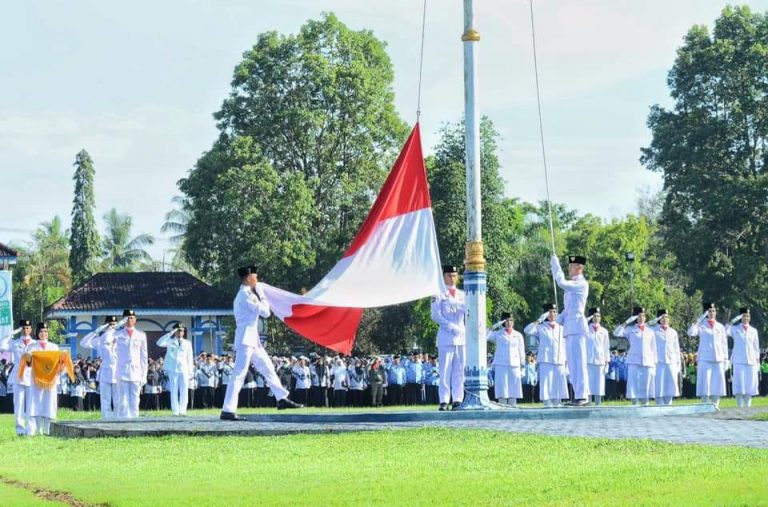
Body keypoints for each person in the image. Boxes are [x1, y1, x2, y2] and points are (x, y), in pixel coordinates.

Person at [220, 265, 302, 421]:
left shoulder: (247, 294)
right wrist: (263, 295)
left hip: (252, 339)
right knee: (239, 373)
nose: (257, 280)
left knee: (268, 367)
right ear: (249, 278)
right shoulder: (246, 295)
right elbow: (265, 312)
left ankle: (281, 398)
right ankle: (228, 410)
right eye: (255, 277)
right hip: (246, 339)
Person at [550, 254, 590, 406]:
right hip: (570, 327)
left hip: (578, 327)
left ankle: (583, 396)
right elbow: (567, 310)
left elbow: (561, 282)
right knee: (573, 364)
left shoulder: (581, 284)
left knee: (579, 363)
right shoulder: (572, 284)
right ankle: (577, 394)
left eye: (571, 267)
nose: (569, 269)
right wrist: (556, 319)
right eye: (568, 267)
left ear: (579, 268)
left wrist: (556, 265)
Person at [431, 264, 466, 411]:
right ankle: (444, 400)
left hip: (461, 337)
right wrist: (451, 327)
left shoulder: (462, 294)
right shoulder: (438, 294)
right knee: (445, 370)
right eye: (449, 276)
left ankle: (458, 399)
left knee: (459, 370)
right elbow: (436, 315)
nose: (452, 278)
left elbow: (468, 311)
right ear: (444, 276)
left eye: (454, 276)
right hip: (446, 336)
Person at [524, 303, 568, 408]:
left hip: (559, 358)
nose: (553, 314)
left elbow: (565, 344)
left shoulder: (561, 328)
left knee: (558, 380)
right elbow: (527, 330)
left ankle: (557, 401)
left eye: (555, 312)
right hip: (546, 358)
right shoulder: (540, 327)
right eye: (551, 312)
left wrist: (566, 360)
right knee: (547, 381)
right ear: (546, 314)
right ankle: (547, 402)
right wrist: (539, 320)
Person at [687, 302, 728, 408]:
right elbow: (691, 332)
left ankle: (716, 405)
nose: (712, 313)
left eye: (713, 311)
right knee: (705, 383)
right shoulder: (701, 325)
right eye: (709, 311)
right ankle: (704, 404)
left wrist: (725, 359)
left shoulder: (720, 326)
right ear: (706, 313)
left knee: (717, 384)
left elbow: (724, 343)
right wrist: (699, 320)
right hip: (705, 358)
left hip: (718, 358)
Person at [613, 307, 656, 406]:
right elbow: (616, 333)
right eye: (639, 316)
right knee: (634, 384)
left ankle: (646, 404)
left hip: (648, 361)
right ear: (635, 317)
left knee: (646, 385)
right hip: (634, 361)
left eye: (643, 316)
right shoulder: (630, 329)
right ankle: (634, 404)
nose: (642, 318)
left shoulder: (650, 331)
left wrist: (654, 364)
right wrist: (626, 322)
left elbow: (653, 349)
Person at [80, 316, 121, 418]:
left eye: (114, 324)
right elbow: (83, 343)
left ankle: (119, 420)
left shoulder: (121, 338)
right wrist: (96, 331)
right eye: (110, 324)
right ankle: (106, 419)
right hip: (105, 371)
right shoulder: (100, 339)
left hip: (118, 371)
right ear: (106, 325)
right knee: (105, 399)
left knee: (118, 399)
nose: (112, 326)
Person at [24, 323, 61, 435]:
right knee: (38, 403)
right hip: (37, 380)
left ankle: (48, 429)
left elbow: (58, 363)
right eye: (41, 332)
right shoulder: (32, 347)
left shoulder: (54, 347)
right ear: (37, 333)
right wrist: (28, 357)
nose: (43, 334)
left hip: (50, 380)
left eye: (45, 331)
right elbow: (28, 364)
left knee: (49, 402)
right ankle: (39, 429)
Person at [0, 319, 35, 435]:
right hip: (18, 376)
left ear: (31, 329)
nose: (25, 330)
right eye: (23, 328)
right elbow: (2, 347)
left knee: (31, 404)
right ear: (21, 330)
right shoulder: (14, 343)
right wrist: (10, 334)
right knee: (19, 404)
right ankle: (20, 430)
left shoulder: (35, 343)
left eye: (27, 328)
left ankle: (30, 430)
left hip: (31, 376)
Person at [114, 309, 148, 418]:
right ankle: (123, 423)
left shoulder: (141, 335)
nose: (130, 320)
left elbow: (144, 356)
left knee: (135, 400)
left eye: (132, 317)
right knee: (122, 401)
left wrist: (144, 375)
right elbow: (108, 340)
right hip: (122, 371)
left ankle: (135, 422)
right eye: (127, 318)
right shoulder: (117, 334)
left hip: (136, 372)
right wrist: (116, 326)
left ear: (135, 320)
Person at [487, 312, 525, 407]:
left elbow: (521, 351)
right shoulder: (498, 334)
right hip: (501, 363)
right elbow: (484, 336)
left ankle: (513, 406)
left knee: (514, 389)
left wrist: (523, 366)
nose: (509, 323)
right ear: (503, 322)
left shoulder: (518, 335)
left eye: (511, 320)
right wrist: (496, 325)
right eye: (507, 320)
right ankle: (501, 406)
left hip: (514, 364)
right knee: (502, 388)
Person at [157, 323, 194, 415]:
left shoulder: (187, 343)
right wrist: (170, 333)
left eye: (181, 330)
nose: (179, 332)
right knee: (173, 390)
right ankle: (175, 410)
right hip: (173, 368)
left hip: (184, 368)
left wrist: (190, 371)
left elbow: (190, 357)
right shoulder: (169, 341)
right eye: (177, 330)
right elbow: (159, 343)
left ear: (183, 332)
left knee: (184, 389)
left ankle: (183, 410)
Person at [726, 308, 760, 408]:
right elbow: (725, 331)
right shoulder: (735, 329)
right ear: (741, 317)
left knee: (749, 386)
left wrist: (757, 361)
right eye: (744, 316)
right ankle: (739, 406)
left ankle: (747, 407)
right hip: (738, 360)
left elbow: (756, 347)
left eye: (747, 316)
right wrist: (732, 321)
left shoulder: (754, 331)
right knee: (739, 385)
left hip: (751, 361)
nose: (746, 318)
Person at [650, 309, 682, 405]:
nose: (665, 319)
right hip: (658, 363)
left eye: (667, 317)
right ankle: (659, 406)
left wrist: (678, 365)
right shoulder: (653, 331)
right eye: (662, 317)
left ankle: (669, 406)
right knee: (659, 387)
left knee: (670, 387)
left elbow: (677, 349)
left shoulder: (673, 332)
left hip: (670, 362)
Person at [585, 307, 610, 405]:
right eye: (594, 316)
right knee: (588, 384)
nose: (596, 318)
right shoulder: (586, 329)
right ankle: (588, 403)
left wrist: (607, 363)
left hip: (600, 361)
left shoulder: (604, 331)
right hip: (588, 361)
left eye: (598, 316)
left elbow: (606, 347)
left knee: (599, 384)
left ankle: (598, 404)